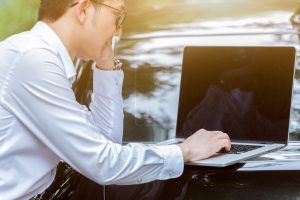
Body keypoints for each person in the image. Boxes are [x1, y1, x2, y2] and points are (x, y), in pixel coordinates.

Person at [0, 0, 231, 199]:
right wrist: (185, 151)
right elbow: (103, 164)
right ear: (83, 10)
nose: (119, 31)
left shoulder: (39, 58)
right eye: (118, 15)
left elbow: (104, 142)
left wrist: (106, 66)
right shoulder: (33, 60)